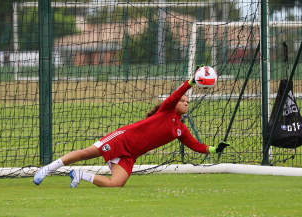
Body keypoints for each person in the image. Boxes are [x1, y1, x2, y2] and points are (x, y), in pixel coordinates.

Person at [33, 71, 230, 188]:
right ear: (175, 102)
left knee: (116, 184)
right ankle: (48, 168)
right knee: (86, 153)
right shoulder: (166, 110)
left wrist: (215, 149)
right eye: (183, 100)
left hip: (131, 155)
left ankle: (80, 175)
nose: (186, 102)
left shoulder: (180, 129)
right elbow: (177, 93)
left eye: (188, 101)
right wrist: (190, 82)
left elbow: (196, 146)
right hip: (122, 139)